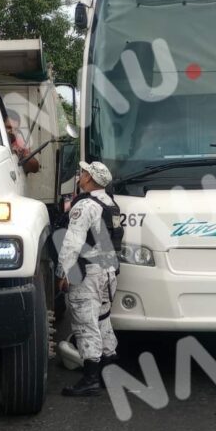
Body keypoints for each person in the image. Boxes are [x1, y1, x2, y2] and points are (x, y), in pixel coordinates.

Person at [57, 161, 122, 397]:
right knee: (103, 320)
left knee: (85, 324)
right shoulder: (110, 204)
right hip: (108, 271)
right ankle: (109, 374)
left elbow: (72, 241)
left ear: (90, 179)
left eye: (83, 173)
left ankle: (90, 378)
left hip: (88, 273)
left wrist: (64, 273)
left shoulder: (85, 205)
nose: (80, 175)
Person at [5, 109, 40, 175]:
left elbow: (35, 168)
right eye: (8, 127)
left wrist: (24, 155)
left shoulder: (19, 142)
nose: (12, 131)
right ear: (1, 125)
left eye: (15, 129)